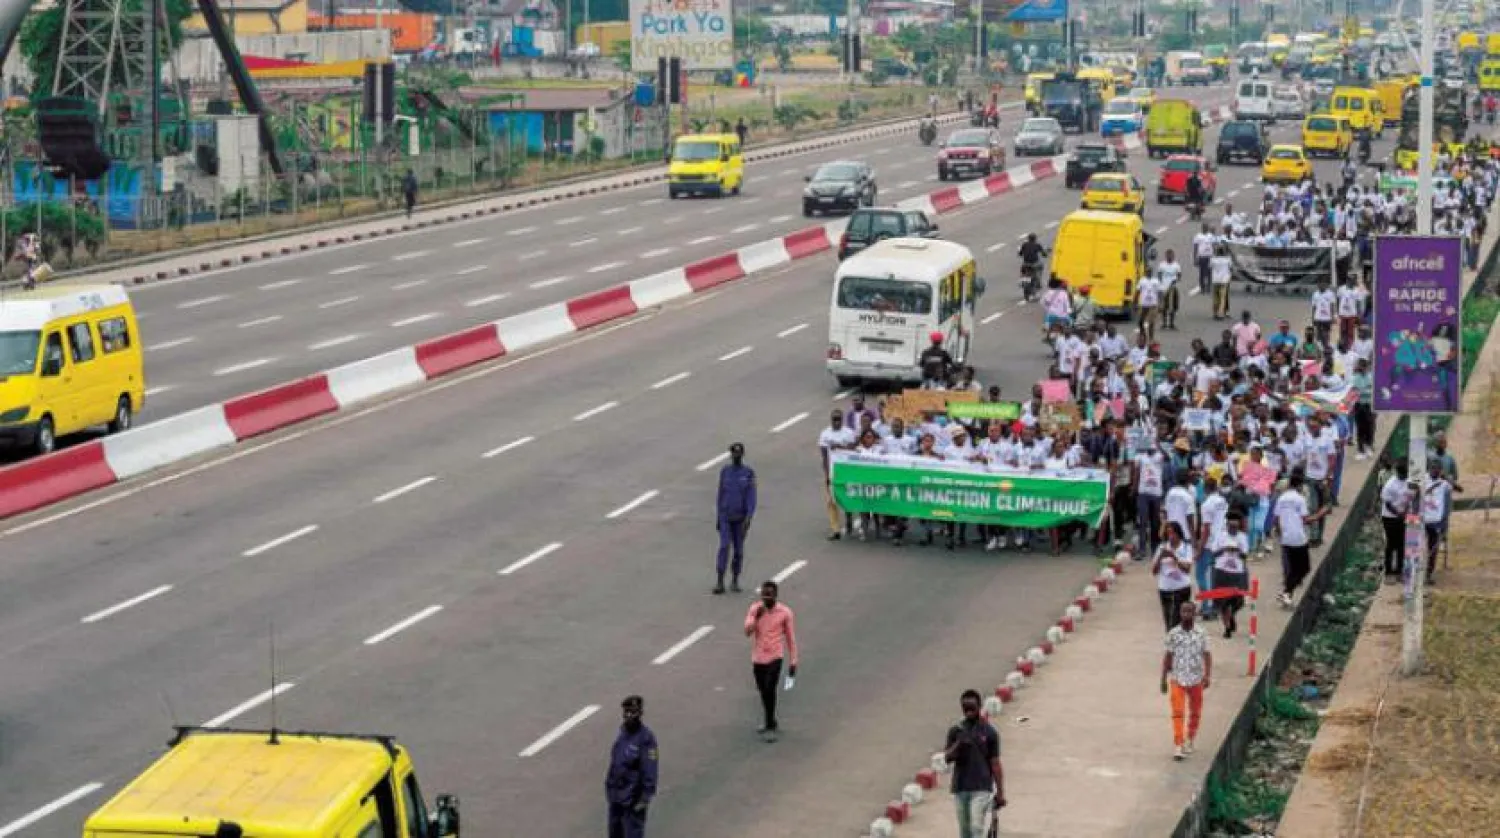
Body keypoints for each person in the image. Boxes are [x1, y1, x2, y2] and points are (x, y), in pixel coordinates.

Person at [944, 689, 1005, 838]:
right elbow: (947, 758)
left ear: (979, 707)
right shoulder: (956, 731)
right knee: (965, 832)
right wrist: (959, 743)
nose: (969, 712)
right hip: (960, 787)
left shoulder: (989, 732)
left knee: (976, 828)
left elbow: (995, 763)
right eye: (966, 709)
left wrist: (1001, 792)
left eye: (972, 708)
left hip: (982, 788)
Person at [744, 580, 798, 741]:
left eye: (769, 595)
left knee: (769, 689)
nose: (766, 599)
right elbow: (747, 631)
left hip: (775, 657)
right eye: (764, 595)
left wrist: (793, 661)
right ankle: (770, 719)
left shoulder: (785, 613)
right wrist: (756, 618)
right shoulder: (755, 609)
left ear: (775, 596)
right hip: (758, 657)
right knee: (762, 690)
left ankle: (769, 722)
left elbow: (790, 638)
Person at [1161, 600, 1212, 761]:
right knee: (1177, 712)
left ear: (1195, 614)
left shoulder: (1202, 634)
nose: (1186, 615)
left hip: (1196, 679)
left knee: (1195, 712)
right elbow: (1168, 656)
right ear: (1180, 613)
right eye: (1183, 612)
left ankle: (1190, 737)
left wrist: (1207, 675)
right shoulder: (1173, 634)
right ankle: (1178, 744)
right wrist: (1163, 678)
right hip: (1177, 678)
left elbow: (1207, 655)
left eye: (1189, 612)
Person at [606, 695, 658, 838]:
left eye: (633, 712)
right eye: (627, 712)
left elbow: (650, 770)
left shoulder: (646, 739)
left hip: (633, 799)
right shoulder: (622, 733)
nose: (629, 715)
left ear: (640, 713)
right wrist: (609, 786)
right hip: (616, 796)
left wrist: (645, 797)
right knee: (615, 833)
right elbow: (615, 761)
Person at [714, 442, 757, 594]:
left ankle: (735, 579)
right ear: (731, 455)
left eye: (739, 453)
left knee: (738, 551)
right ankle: (720, 580)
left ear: (743, 454)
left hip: (740, 518)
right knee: (724, 546)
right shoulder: (725, 471)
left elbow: (751, 496)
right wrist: (718, 516)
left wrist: (749, 517)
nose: (736, 456)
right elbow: (720, 494)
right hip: (726, 515)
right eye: (734, 453)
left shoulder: (748, 473)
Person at [1152, 522, 1196, 632]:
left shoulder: (1186, 547)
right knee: (1168, 620)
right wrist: (1160, 558)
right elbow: (1154, 571)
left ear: (1178, 533)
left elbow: (1187, 569)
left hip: (1182, 588)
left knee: (1178, 619)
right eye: (1168, 534)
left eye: (1173, 533)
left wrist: (1174, 557)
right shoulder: (1162, 548)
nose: (1171, 536)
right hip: (1165, 589)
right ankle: (1172, 644)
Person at [1379, 461, 1411, 578]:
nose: (1405, 476)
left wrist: (1406, 511)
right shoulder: (1390, 485)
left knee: (1401, 544)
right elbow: (1387, 504)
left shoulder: (1408, 481)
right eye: (1403, 474)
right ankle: (1388, 570)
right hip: (1390, 517)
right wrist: (1399, 514)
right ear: (1398, 473)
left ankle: (1399, 569)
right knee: (1391, 544)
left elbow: (1410, 496)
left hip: (1403, 516)